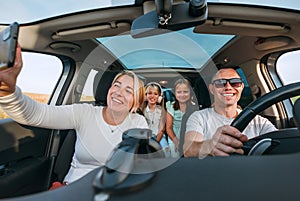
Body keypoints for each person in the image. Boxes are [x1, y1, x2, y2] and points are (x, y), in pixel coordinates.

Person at [0, 44, 149, 185]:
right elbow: (37, 114)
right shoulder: (84, 112)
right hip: (73, 188)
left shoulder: (138, 123)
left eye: (129, 91)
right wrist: (8, 92)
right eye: (116, 85)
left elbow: (141, 167)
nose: (119, 93)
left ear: (136, 103)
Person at [183, 68, 277, 157]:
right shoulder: (199, 117)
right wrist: (210, 146)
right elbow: (189, 149)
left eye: (235, 83)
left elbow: (279, 143)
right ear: (211, 89)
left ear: (242, 87)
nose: (228, 87)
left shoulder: (259, 121)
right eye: (220, 83)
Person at [165, 78, 197, 158]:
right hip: (174, 137)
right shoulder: (171, 106)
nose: (182, 95)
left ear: (190, 93)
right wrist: (177, 142)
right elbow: (168, 128)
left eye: (185, 92)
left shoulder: (195, 107)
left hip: (189, 137)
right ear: (174, 93)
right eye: (179, 92)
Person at [142, 82, 169, 156]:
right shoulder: (142, 110)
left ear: (159, 97)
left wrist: (155, 143)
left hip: (159, 137)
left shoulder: (162, 111)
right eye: (149, 93)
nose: (152, 96)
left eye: (155, 94)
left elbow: (161, 130)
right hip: (146, 137)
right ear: (145, 96)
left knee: (166, 152)